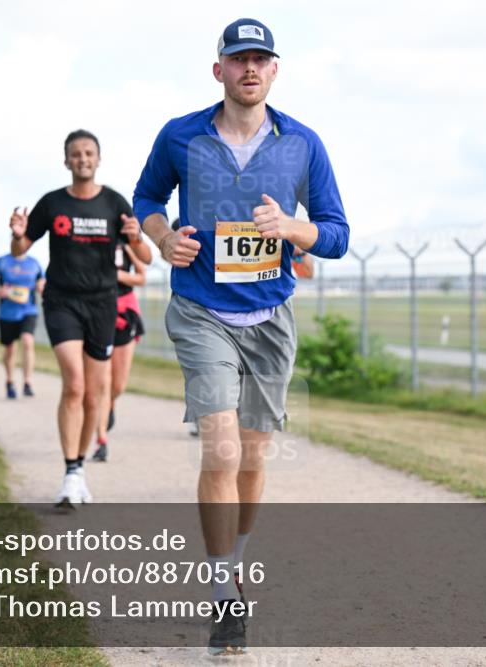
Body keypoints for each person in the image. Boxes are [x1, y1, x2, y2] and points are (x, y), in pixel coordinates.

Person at [133, 18, 349, 655]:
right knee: (221, 451)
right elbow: (149, 197)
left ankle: (237, 560)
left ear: (274, 70)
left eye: (261, 59)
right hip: (200, 310)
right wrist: (162, 237)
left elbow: (336, 233)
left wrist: (293, 228)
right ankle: (224, 592)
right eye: (238, 59)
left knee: (253, 459)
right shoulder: (182, 135)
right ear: (218, 70)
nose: (249, 69)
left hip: (269, 319)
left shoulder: (303, 144)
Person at [8, 128, 142, 509]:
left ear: (99, 159)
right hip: (62, 301)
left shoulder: (115, 203)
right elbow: (20, 250)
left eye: (89, 153)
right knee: (74, 385)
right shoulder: (52, 204)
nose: (82, 159)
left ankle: (78, 469)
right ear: (66, 161)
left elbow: (146, 259)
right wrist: (19, 234)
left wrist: (134, 238)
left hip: (103, 304)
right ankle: (69, 472)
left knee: (96, 393)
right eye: (76, 154)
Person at [93, 239, 152, 461]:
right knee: (103, 382)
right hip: (98, 310)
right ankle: (101, 440)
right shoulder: (93, 242)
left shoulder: (127, 244)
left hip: (125, 312)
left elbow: (141, 276)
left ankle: (109, 405)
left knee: (118, 385)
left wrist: (117, 274)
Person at [0, 251, 45, 399]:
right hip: (7, 312)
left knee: (27, 341)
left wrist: (41, 288)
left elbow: (41, 281)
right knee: (10, 349)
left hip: (28, 310)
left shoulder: (34, 262)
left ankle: (27, 382)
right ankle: (10, 381)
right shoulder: (2, 261)